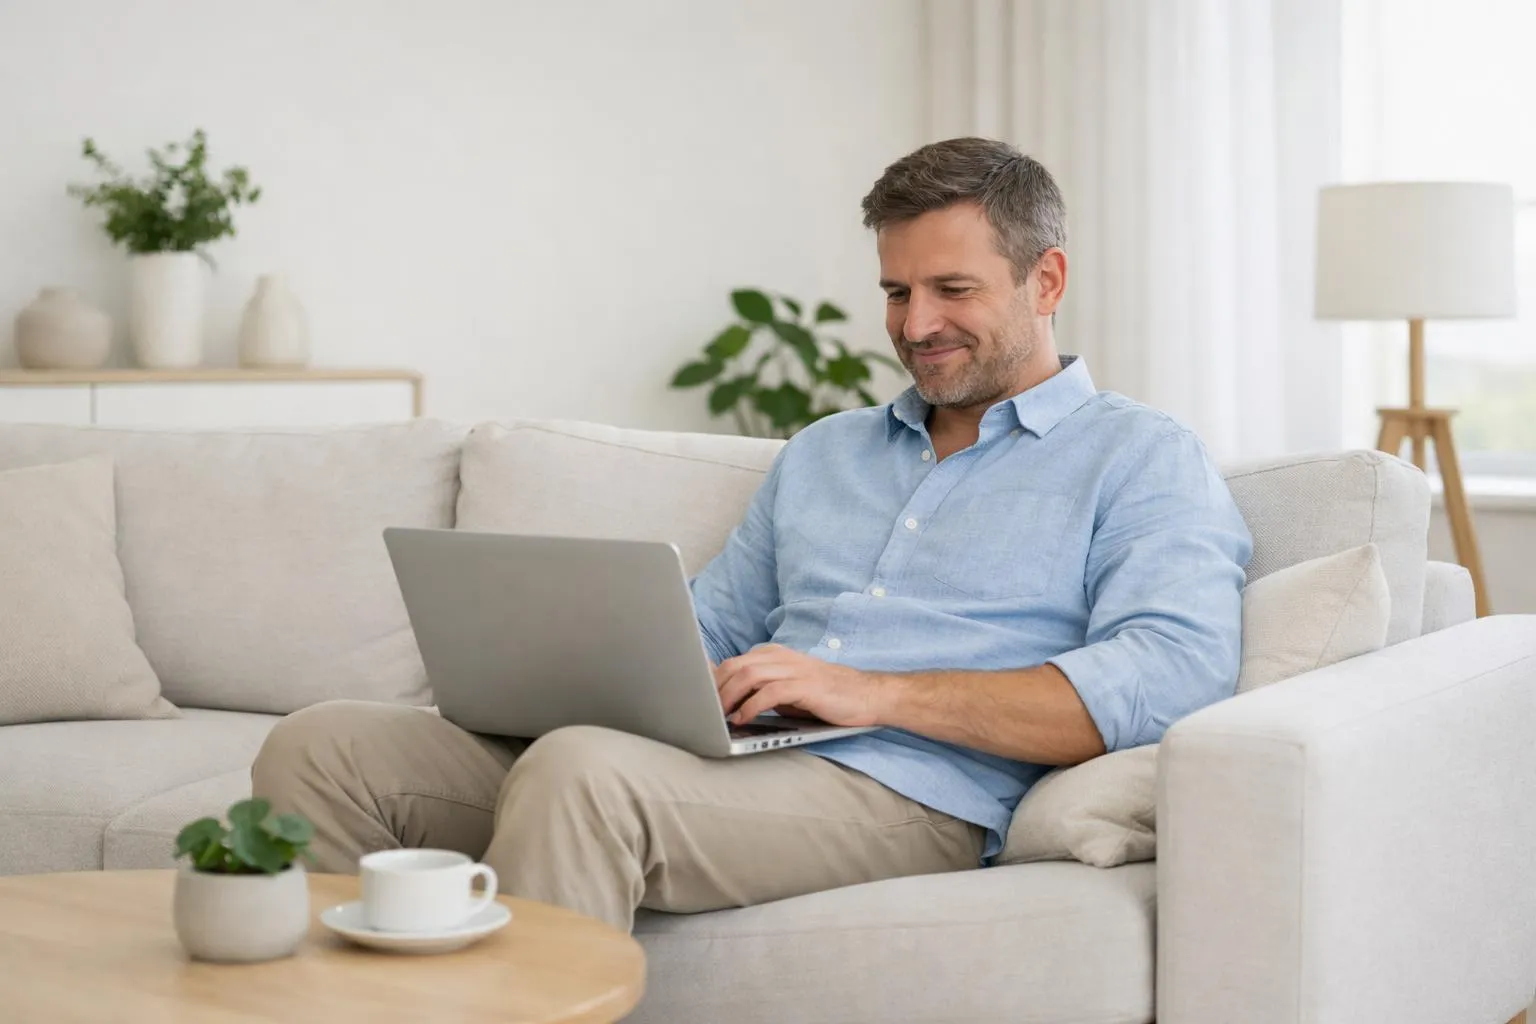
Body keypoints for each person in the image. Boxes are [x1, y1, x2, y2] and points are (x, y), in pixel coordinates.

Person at [252, 137, 1252, 933]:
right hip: (736, 761)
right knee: (324, 747)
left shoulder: (1139, 455)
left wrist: (873, 693)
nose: (916, 323)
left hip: (913, 792)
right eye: (897, 292)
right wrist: (573, 664)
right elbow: (709, 627)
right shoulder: (825, 452)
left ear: (1046, 281)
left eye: (954, 289)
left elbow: (1172, 675)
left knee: (582, 774)